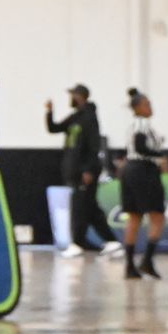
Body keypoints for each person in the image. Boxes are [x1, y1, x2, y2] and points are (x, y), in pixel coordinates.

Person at [46, 84, 120, 258]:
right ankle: (111, 242)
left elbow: (94, 146)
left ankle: (78, 243)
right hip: (73, 171)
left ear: (80, 96)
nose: (70, 98)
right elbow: (53, 128)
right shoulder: (75, 117)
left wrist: (88, 170)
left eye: (73, 95)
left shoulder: (89, 117)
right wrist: (49, 112)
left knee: (80, 208)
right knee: (90, 208)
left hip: (84, 172)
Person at [120, 88, 166, 280]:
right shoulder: (142, 124)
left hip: (130, 170)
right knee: (158, 216)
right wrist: (160, 155)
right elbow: (140, 146)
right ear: (138, 107)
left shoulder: (133, 125)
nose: (150, 107)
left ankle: (130, 265)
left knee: (134, 217)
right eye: (147, 104)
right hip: (144, 170)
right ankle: (147, 260)